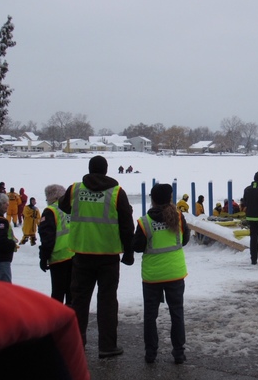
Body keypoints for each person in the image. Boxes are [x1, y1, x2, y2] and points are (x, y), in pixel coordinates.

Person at [58, 155, 135, 359]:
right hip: (108, 256)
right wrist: (128, 252)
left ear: (89, 169)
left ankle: (76, 344)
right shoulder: (117, 193)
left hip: (81, 254)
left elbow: (63, 206)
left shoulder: (75, 189)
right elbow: (127, 225)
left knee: (79, 301)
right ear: (106, 170)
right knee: (107, 301)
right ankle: (107, 346)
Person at [134, 183, 190, 364]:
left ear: (152, 199)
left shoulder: (144, 222)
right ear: (170, 199)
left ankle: (151, 353)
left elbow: (137, 247)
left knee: (150, 315)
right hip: (175, 272)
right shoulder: (179, 217)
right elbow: (186, 239)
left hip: (152, 276)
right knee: (177, 313)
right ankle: (179, 352)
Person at [39, 184, 74, 305]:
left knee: (58, 293)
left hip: (58, 257)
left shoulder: (50, 211)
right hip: (73, 255)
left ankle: (56, 319)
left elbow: (47, 237)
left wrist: (43, 257)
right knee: (71, 292)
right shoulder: (72, 209)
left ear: (50, 197)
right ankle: (71, 318)